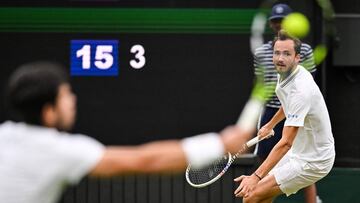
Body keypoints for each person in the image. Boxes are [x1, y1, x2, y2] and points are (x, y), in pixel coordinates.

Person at [0, 61, 253, 203]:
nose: (73, 100)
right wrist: (219, 144)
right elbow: (145, 161)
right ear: (48, 111)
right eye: (65, 95)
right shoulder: (60, 151)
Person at [234, 30, 335, 203]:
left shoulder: (300, 90)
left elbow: (286, 142)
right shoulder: (287, 74)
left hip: (314, 161)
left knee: (251, 196)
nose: (280, 58)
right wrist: (270, 125)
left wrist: (255, 177)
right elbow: (287, 103)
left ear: (297, 58)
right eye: (277, 53)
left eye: (287, 54)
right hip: (299, 152)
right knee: (261, 197)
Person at [253, 3, 319, 203]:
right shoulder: (261, 52)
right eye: (275, 21)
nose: (279, 24)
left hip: (297, 111)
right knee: (266, 162)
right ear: (271, 25)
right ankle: (263, 198)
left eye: (283, 20)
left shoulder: (304, 50)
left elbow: (308, 85)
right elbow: (261, 83)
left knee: (303, 161)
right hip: (272, 108)